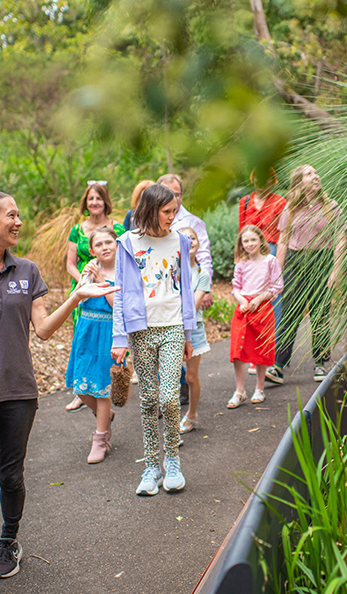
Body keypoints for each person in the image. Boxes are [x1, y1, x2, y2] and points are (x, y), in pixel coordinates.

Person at [0, 191, 117, 594]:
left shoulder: (26, 271)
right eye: (11, 215)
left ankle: (9, 542)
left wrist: (77, 297)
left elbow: (43, 330)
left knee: (11, 476)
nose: (18, 221)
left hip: (18, 394)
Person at [112, 184, 196, 496]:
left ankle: (172, 459)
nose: (173, 217)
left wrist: (189, 333)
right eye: (167, 212)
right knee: (148, 399)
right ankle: (151, 465)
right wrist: (119, 337)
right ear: (150, 210)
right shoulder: (128, 242)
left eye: (175, 211)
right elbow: (120, 294)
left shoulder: (181, 240)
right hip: (140, 330)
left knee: (170, 398)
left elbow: (185, 287)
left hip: (173, 326)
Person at [266, 165, 346, 384]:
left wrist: (336, 270)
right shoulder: (290, 209)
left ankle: (321, 364)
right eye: (309, 174)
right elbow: (282, 241)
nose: (315, 176)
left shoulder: (330, 206)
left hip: (322, 261)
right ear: (299, 183)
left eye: (316, 173)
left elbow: (341, 237)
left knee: (320, 314)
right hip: (295, 261)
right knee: (290, 313)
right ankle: (278, 366)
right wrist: (277, 275)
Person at [64, 181, 126, 412]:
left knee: (103, 346)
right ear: (86, 203)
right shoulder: (77, 230)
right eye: (90, 199)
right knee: (84, 340)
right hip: (84, 285)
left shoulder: (117, 229)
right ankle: (83, 391)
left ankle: (101, 390)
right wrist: (84, 278)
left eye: (98, 198)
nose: (94, 202)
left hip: (110, 284)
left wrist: (104, 280)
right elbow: (70, 263)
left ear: (105, 201)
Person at [64, 226, 120, 463]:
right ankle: (104, 416)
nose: (104, 247)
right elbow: (77, 297)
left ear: (117, 244)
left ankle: (100, 439)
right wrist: (86, 278)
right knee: (80, 386)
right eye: (99, 244)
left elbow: (118, 306)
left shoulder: (122, 272)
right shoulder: (89, 271)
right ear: (91, 249)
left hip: (106, 334)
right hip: (85, 331)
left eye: (109, 242)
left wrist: (102, 281)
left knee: (101, 387)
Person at [157, 173, 213, 404]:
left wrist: (206, 288)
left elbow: (204, 254)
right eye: (167, 193)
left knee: (188, 357)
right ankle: (167, 397)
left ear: (182, 195)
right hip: (161, 296)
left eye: (176, 193)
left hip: (190, 287)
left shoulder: (193, 222)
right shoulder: (148, 221)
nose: (172, 198)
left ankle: (185, 393)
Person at [238, 167, 288, 380]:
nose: (261, 181)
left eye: (266, 178)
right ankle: (253, 355)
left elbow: (284, 233)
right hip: (249, 257)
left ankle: (268, 358)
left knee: (271, 308)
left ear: (272, 180)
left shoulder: (280, 202)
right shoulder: (245, 202)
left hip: (270, 254)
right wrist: (239, 261)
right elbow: (241, 232)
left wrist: (278, 264)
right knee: (250, 308)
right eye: (257, 177)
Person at [227, 225, 283, 408]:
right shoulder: (241, 264)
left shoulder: (270, 261)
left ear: (260, 240)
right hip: (244, 309)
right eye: (246, 241)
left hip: (262, 308)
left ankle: (259, 388)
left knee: (261, 349)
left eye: (253, 240)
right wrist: (242, 301)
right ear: (241, 244)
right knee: (238, 351)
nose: (250, 244)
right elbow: (236, 287)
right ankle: (239, 390)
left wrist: (259, 299)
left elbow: (276, 286)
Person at [178, 227, 211, 433]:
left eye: (193, 238)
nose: (189, 241)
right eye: (184, 238)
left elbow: (194, 305)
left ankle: (191, 413)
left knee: (190, 376)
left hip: (193, 328)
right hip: (170, 328)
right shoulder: (170, 269)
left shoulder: (202, 274)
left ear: (198, 244)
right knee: (170, 376)